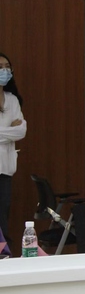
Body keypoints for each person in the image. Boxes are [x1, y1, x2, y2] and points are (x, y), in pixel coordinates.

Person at [0, 53, 26, 249]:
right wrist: (10, 130)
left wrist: (8, 131)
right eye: (0, 66)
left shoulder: (12, 100)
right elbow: (14, 131)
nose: (4, 70)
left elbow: (21, 131)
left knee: (3, 217)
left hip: (6, 170)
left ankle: (3, 256)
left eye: (7, 66)